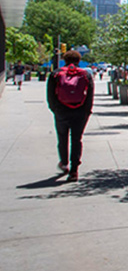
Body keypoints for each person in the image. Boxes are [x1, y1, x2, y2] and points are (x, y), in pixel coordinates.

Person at [47, 51, 95, 181]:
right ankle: (74, 171)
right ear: (79, 61)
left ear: (65, 60)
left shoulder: (56, 74)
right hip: (79, 111)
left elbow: (50, 95)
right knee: (76, 139)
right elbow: (90, 94)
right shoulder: (85, 74)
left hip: (62, 110)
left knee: (62, 138)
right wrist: (87, 110)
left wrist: (55, 109)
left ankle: (64, 162)